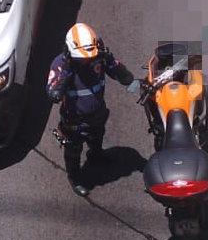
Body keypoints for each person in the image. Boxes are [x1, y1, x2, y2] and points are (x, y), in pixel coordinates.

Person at [46, 23, 139, 197]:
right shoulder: (60, 64)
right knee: (73, 149)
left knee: (97, 135)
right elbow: (53, 94)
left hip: (97, 112)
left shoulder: (99, 58)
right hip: (74, 119)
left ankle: (96, 154)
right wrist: (67, 71)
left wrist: (110, 59)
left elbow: (125, 77)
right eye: (81, 57)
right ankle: (74, 176)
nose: (86, 60)